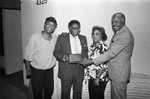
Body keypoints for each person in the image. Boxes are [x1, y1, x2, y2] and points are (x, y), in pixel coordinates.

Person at [80, 12, 134, 99]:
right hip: (115, 73)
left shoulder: (124, 35)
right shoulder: (119, 33)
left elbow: (109, 55)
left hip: (118, 74)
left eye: (116, 21)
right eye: (112, 22)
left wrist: (90, 63)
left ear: (123, 21)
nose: (113, 24)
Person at [24, 16, 57, 99]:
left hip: (49, 70)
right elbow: (27, 56)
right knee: (37, 92)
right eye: (48, 24)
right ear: (44, 24)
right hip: (37, 70)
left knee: (49, 90)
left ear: (55, 27)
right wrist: (28, 71)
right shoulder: (35, 37)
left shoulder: (55, 38)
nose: (50, 27)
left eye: (53, 25)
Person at [53, 20, 88, 99]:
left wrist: (85, 58)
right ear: (69, 28)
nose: (76, 30)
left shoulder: (83, 38)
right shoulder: (62, 37)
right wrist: (64, 57)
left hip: (79, 70)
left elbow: (85, 51)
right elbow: (56, 52)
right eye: (74, 28)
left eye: (78, 28)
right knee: (65, 93)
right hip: (66, 70)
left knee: (78, 93)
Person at [84, 26, 109, 99]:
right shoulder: (93, 45)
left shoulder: (103, 47)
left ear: (102, 36)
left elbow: (104, 64)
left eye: (97, 34)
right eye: (93, 34)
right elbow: (92, 60)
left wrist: (97, 77)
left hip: (100, 78)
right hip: (92, 76)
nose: (94, 36)